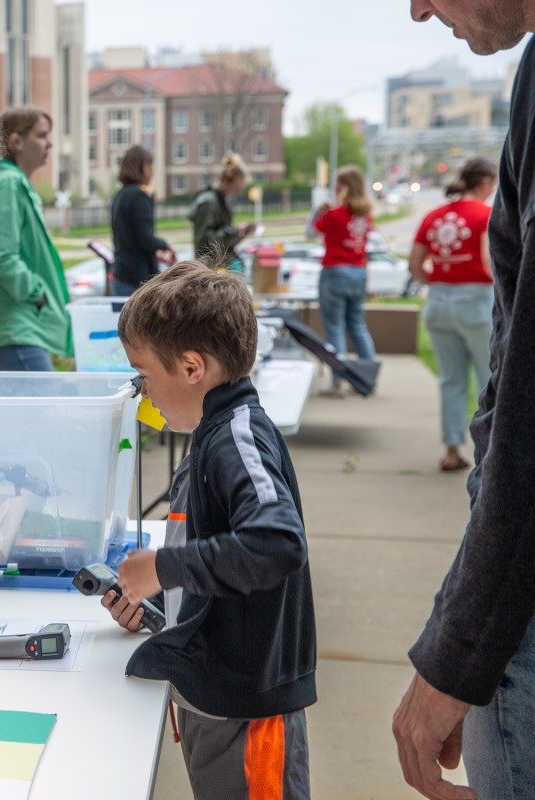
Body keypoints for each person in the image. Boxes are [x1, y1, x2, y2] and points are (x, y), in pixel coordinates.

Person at [394, 3, 535, 799]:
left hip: (443, 309)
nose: (417, 9)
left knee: (457, 382)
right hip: (467, 309)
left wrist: (459, 652)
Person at [108, 260, 316, 799]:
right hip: (214, 695)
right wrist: (157, 606)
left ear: (192, 367)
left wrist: (163, 567)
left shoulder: (237, 439)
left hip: (246, 709)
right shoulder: (211, 432)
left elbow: (275, 542)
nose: (142, 391)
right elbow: (220, 568)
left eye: (144, 374)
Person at [407, 158, 497, 473]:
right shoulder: (486, 215)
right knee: (488, 380)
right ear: (485, 182)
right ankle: (490, 453)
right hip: (476, 303)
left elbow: (415, 265)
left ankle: (451, 450)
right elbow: (488, 261)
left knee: (451, 380)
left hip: (439, 303)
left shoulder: (434, 215)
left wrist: (441, 281)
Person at [0, 106, 72, 371]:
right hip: (14, 329)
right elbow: (0, 255)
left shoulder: (10, 182)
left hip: (17, 329)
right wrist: (37, 292)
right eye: (41, 135)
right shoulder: (9, 184)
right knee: (44, 408)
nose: (49, 144)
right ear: (16, 141)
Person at [307, 165, 377, 395]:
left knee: (334, 328)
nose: (335, 188)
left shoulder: (335, 215)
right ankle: (369, 377)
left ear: (345, 187)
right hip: (358, 271)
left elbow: (310, 233)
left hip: (335, 272)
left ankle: (338, 380)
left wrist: (319, 211)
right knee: (357, 325)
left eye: (338, 184)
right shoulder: (365, 215)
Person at [109, 145, 175, 296]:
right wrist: (166, 245)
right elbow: (146, 239)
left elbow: (128, 238)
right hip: (137, 279)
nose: (152, 171)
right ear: (142, 166)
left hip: (120, 273)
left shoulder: (119, 196)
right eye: (149, 165)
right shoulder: (140, 197)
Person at [188, 152, 255, 271]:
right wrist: (236, 231)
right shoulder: (208, 202)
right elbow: (204, 243)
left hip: (219, 265)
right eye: (237, 188)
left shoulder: (221, 200)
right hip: (211, 269)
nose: (237, 192)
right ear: (227, 181)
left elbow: (221, 239)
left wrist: (239, 233)